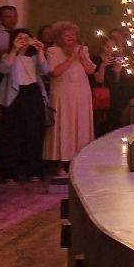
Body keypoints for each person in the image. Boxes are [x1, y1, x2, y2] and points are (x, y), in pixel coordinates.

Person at [43, 20, 96, 182]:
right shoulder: (53, 51)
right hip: (62, 94)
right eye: (67, 35)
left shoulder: (83, 49)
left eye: (73, 35)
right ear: (59, 37)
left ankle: (79, 161)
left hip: (81, 92)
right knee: (63, 126)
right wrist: (71, 58)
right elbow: (54, 72)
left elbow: (90, 70)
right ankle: (61, 164)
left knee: (80, 126)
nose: (71, 38)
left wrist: (82, 57)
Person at [0, 28, 49, 182]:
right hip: (14, 96)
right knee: (12, 135)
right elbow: (4, 68)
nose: (23, 41)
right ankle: (9, 173)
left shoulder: (33, 57)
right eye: (19, 38)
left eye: (26, 38)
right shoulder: (8, 56)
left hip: (33, 94)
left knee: (34, 134)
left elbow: (45, 70)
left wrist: (40, 51)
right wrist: (14, 50)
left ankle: (34, 171)